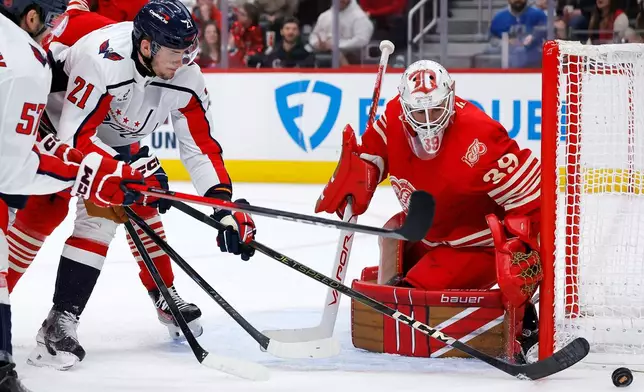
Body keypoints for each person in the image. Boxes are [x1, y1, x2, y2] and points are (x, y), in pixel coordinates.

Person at [17, 0, 257, 371]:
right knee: (61, 209)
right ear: (147, 46)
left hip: (110, 130)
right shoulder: (104, 62)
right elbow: (74, 138)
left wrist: (223, 210)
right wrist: (121, 168)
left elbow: (200, 146)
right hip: (53, 119)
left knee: (138, 197)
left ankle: (160, 295)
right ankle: (50, 321)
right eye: (177, 51)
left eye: (189, 48)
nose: (186, 59)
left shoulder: (185, 75)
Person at [315, 60, 542, 360]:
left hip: (475, 247)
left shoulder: (479, 138)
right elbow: (376, 149)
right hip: (430, 231)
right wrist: (363, 170)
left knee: (412, 295)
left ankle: (524, 319)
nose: (428, 122)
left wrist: (519, 250)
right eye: (418, 112)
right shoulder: (395, 114)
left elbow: (532, 197)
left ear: (451, 97)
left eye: (435, 110)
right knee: (391, 235)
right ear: (404, 105)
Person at [0, 0, 151, 389]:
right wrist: (87, 170)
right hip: (60, 126)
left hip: (81, 128)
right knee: (31, 215)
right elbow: (18, 165)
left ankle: (65, 317)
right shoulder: (31, 58)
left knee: (96, 212)